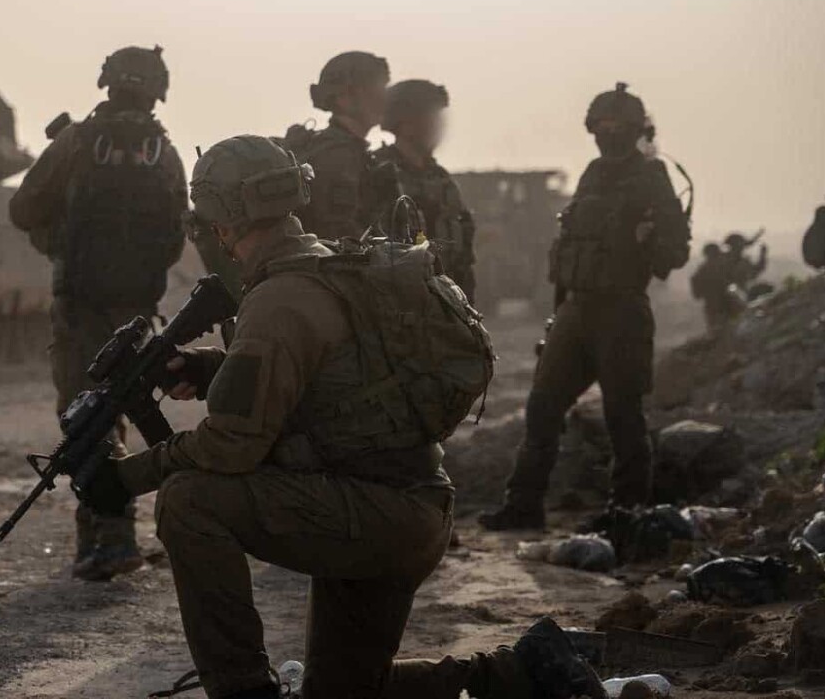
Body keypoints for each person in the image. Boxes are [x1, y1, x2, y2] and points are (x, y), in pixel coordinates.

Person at [78, 134, 606, 699]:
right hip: (406, 504)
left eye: (207, 219)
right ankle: (522, 672)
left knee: (188, 498)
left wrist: (126, 479)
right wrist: (212, 368)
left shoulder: (279, 297)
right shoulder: (330, 261)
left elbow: (231, 446)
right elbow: (332, 377)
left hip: (371, 512)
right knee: (342, 692)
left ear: (227, 217)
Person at [8, 45, 187, 580]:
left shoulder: (77, 142)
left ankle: (107, 540)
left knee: (85, 415)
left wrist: (57, 239)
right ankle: (112, 535)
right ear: (158, 89)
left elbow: (21, 210)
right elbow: (175, 237)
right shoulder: (167, 154)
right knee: (119, 413)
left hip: (79, 303)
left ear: (107, 82)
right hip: (137, 307)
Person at [481, 83, 690, 532]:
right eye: (601, 126)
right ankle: (523, 506)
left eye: (618, 127)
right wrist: (556, 317)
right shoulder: (593, 173)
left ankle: (627, 513)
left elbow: (675, 253)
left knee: (622, 415)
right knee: (543, 408)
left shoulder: (652, 176)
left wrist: (650, 237)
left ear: (636, 129)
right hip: (575, 310)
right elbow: (569, 249)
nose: (608, 134)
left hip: (622, 311)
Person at [367, 79, 477, 302]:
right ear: (406, 124)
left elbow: (463, 257)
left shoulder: (442, 180)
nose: (439, 126)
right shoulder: (377, 174)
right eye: (431, 118)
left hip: (446, 304)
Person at [284, 51, 390, 240]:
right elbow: (338, 236)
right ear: (344, 97)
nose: (383, 99)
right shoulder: (336, 156)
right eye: (374, 90)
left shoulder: (352, 151)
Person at [689, 242, 739, 332]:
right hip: (722, 307)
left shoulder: (703, 270)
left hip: (716, 307)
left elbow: (697, 294)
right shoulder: (722, 268)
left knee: (717, 332)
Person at [722, 232, 772, 301]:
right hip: (723, 298)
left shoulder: (744, 262)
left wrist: (762, 256)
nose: (741, 248)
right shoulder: (722, 260)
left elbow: (754, 273)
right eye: (739, 245)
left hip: (740, 298)